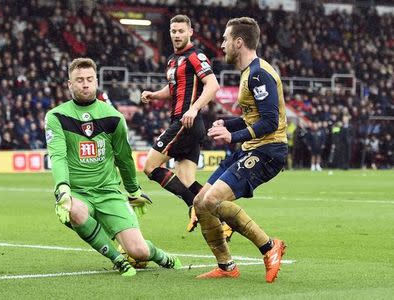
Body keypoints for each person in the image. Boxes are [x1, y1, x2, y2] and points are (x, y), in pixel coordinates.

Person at [45, 58, 181, 276]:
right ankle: (117, 259)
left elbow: (124, 158)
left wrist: (133, 189)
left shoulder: (113, 117)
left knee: (139, 251)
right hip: (78, 193)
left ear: (96, 81)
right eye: (79, 80)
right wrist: (63, 190)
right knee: (74, 209)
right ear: (70, 84)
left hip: (109, 193)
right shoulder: (56, 117)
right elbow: (58, 156)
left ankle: (161, 257)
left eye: (90, 79)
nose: (85, 84)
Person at [193, 17, 288, 282]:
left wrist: (231, 135)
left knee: (213, 200)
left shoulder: (259, 73)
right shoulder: (249, 73)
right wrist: (228, 123)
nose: (221, 44)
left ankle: (270, 247)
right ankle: (227, 267)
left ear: (239, 42)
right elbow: (254, 117)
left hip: (268, 151)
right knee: (201, 203)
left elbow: (270, 121)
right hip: (251, 148)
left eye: (225, 39)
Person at [140, 15, 222, 233]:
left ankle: (192, 207)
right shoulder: (172, 60)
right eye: (173, 31)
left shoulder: (195, 56)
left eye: (180, 31)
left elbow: (213, 85)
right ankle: (224, 220)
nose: (177, 35)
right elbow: (173, 89)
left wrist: (193, 109)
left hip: (186, 123)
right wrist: (154, 95)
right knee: (186, 181)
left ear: (190, 32)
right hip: (186, 124)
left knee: (150, 167)